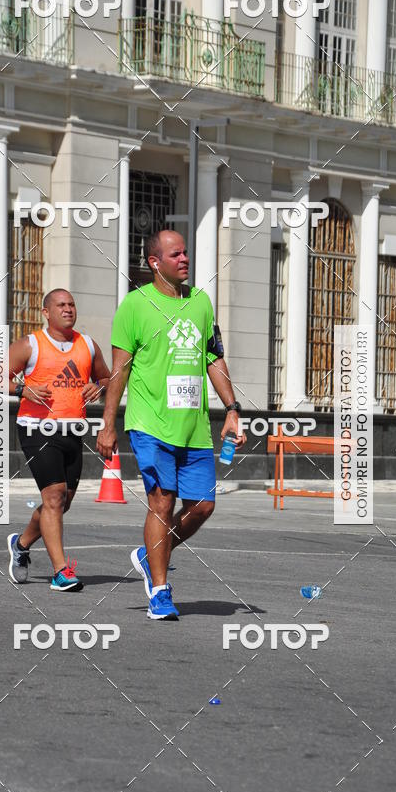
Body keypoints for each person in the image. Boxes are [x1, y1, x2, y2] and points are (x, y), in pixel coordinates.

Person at [97, 230, 246, 620]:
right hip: (149, 422)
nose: (184, 259)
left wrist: (232, 408)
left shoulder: (200, 302)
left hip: (193, 426)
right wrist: (107, 424)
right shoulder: (134, 306)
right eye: (175, 254)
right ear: (154, 262)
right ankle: (160, 592)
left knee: (202, 505)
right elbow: (119, 371)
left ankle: (151, 554)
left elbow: (212, 358)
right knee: (161, 502)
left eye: (186, 253)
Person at [7, 289, 110, 591]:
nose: (68, 309)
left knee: (62, 502)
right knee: (53, 497)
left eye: (71, 304)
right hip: (37, 428)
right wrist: (23, 390)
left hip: (73, 430)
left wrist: (99, 387)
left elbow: (107, 377)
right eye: (61, 305)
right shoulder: (31, 344)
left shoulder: (87, 345)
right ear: (46, 312)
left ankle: (21, 544)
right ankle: (61, 571)